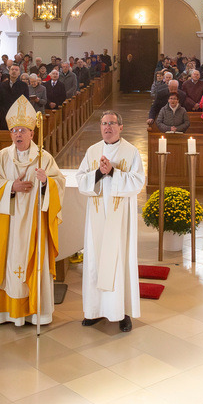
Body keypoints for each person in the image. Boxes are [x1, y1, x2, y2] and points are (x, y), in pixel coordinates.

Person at [0, 96, 63, 325]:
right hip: (7, 222)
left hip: (34, 223)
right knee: (5, 262)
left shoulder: (43, 158)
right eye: (14, 130)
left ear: (32, 134)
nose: (18, 134)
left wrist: (47, 182)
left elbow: (59, 184)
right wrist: (10, 187)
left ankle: (34, 312)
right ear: (10, 134)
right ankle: (3, 312)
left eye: (23, 130)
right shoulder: (1, 158)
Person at [76, 111, 145, 332]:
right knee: (96, 261)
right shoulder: (93, 150)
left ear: (121, 127)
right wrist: (98, 173)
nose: (108, 127)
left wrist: (113, 172)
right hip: (97, 216)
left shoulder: (131, 151)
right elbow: (81, 180)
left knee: (119, 261)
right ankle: (94, 311)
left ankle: (122, 313)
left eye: (112, 124)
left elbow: (137, 182)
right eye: (104, 124)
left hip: (119, 218)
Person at [0, 64, 30, 130]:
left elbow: (26, 101)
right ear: (9, 72)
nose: (14, 71)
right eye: (12, 69)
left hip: (18, 116)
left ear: (19, 73)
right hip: (5, 115)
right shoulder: (2, 85)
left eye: (16, 70)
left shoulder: (23, 85)